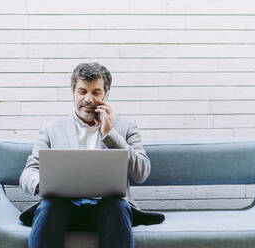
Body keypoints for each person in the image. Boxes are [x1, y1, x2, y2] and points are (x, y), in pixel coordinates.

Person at [19, 62, 163, 248]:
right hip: (63, 206)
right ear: (73, 92)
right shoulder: (51, 129)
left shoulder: (126, 126)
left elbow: (141, 172)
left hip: (108, 207)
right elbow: (28, 173)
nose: (88, 99)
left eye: (95, 92)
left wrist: (111, 134)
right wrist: (43, 184)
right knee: (48, 207)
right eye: (82, 91)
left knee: (116, 206)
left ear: (105, 94)